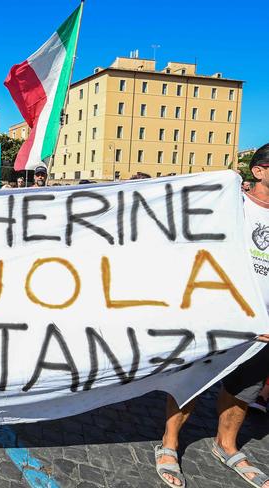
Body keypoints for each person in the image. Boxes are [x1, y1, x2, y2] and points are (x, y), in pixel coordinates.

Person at [155, 143, 269, 488]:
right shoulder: (229, 204)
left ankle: (226, 444)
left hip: (263, 324)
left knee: (243, 389)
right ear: (259, 171)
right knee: (189, 382)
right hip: (216, 315)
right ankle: (169, 443)